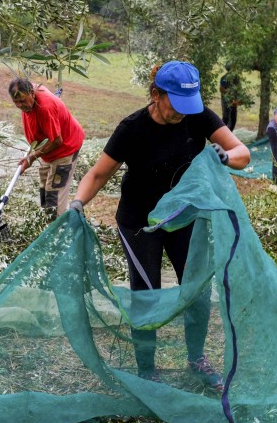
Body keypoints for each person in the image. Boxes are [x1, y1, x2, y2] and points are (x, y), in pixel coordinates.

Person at [69, 60, 251, 391]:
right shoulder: (132, 128)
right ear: (156, 94)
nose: (182, 112)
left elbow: (242, 153)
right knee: (147, 292)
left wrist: (221, 157)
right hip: (139, 222)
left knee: (196, 289)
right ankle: (147, 369)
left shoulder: (197, 117)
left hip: (183, 217)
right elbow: (98, 174)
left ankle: (197, 360)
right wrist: (78, 202)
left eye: (189, 104)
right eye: (176, 104)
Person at [9, 78, 85, 218]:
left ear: (32, 93)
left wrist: (31, 157)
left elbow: (57, 140)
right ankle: (46, 220)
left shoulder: (45, 108)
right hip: (47, 149)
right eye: (16, 102)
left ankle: (58, 228)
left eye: (23, 101)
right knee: (44, 187)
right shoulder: (28, 92)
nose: (20, 105)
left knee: (54, 193)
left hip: (65, 148)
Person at [219, 63, 242, 130]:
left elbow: (239, 89)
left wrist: (239, 99)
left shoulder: (237, 78)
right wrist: (230, 94)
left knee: (233, 118)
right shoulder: (225, 78)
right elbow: (221, 89)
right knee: (226, 118)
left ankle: (228, 134)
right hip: (226, 101)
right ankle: (222, 133)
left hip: (234, 101)